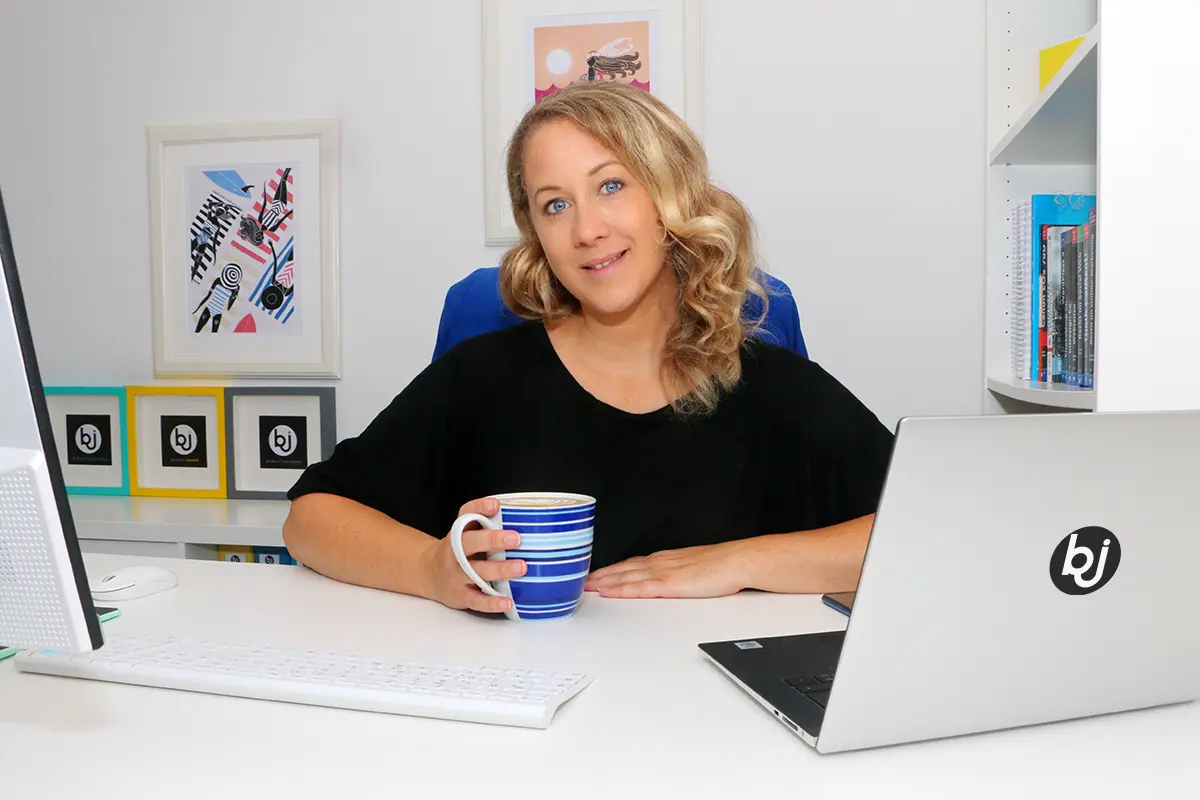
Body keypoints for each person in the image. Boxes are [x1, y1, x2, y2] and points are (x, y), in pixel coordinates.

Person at [282, 81, 894, 616]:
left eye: (610, 185)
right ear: (535, 233)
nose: (586, 229)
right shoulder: (483, 377)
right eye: (555, 204)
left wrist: (740, 563)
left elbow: (929, 529)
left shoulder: (773, 383)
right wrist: (430, 569)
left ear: (669, 198)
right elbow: (311, 519)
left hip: (720, 727)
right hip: (528, 714)